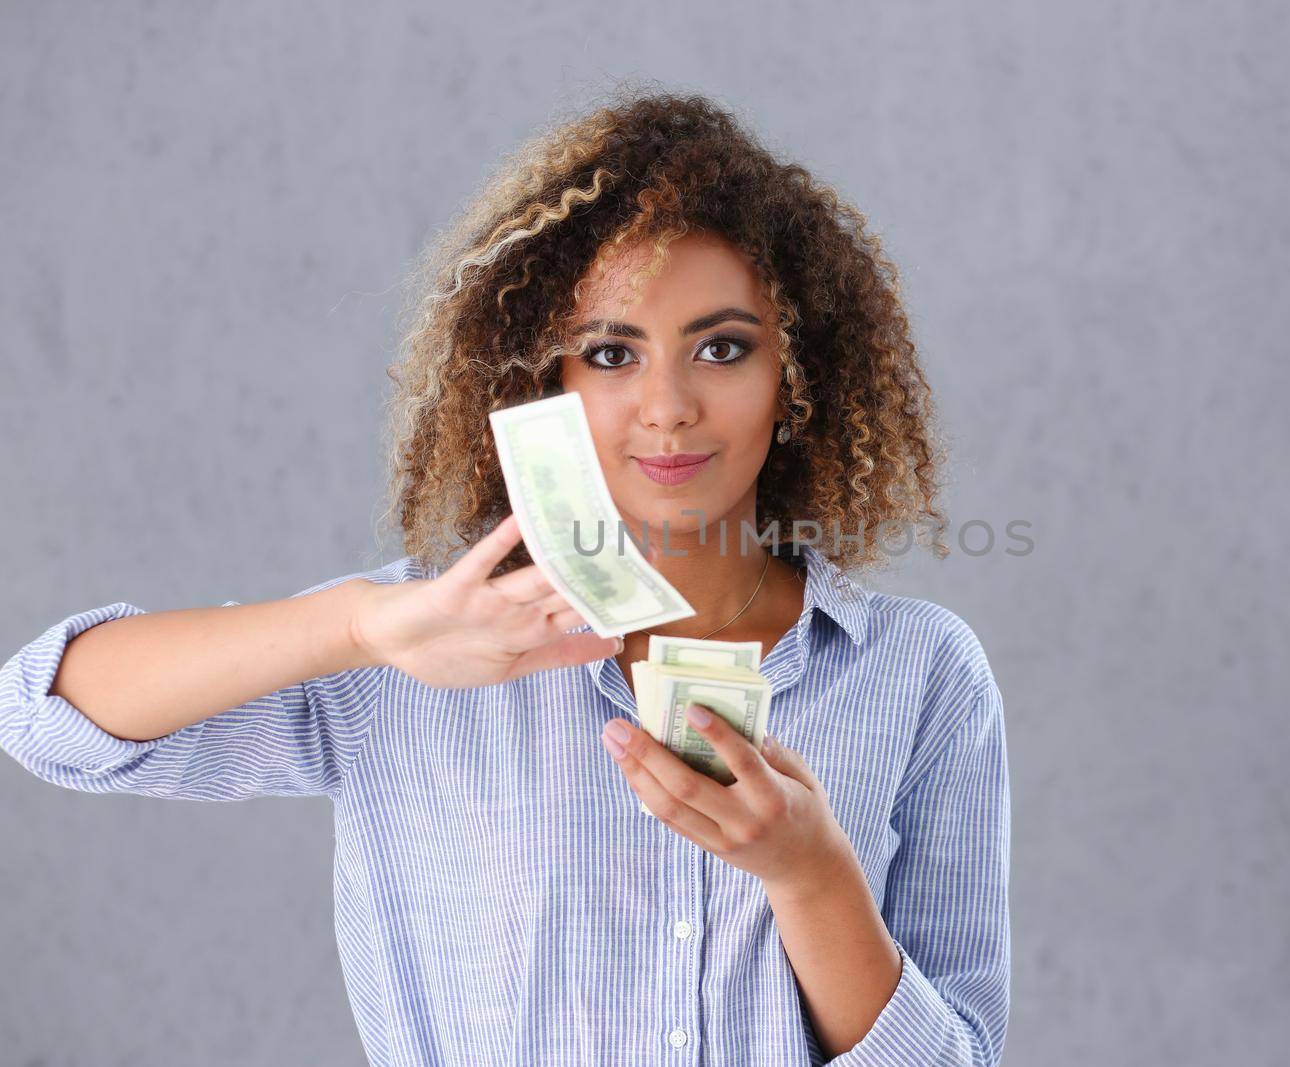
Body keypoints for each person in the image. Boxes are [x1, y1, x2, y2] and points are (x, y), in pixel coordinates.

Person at [0, 88, 1010, 1066]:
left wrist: (810, 872)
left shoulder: (919, 670)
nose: (666, 406)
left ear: (797, 376)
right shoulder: (417, 637)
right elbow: (42, 716)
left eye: (721, 347)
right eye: (611, 351)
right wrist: (361, 627)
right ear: (546, 378)